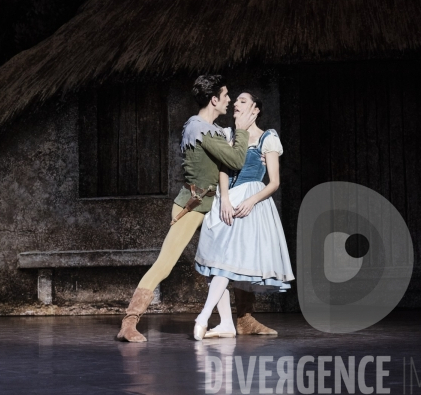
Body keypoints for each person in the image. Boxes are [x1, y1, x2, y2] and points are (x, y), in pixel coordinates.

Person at [118, 75, 277, 342]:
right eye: (226, 96)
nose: (229, 100)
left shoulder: (213, 129)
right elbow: (236, 159)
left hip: (215, 207)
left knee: (233, 261)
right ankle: (129, 322)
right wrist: (241, 130)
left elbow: (234, 161)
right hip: (194, 207)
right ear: (214, 99)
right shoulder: (199, 127)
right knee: (165, 263)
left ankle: (244, 319)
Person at [193, 91, 295, 340]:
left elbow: (274, 182)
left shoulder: (267, 138)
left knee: (228, 262)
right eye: (235, 101)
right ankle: (226, 322)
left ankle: (206, 316)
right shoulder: (228, 134)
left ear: (255, 109)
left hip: (250, 199)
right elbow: (224, 169)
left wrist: (250, 201)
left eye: (242, 101)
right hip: (227, 199)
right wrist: (224, 198)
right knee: (216, 261)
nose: (236, 104)